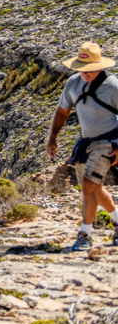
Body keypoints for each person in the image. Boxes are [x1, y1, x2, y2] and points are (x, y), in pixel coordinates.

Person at [47, 42, 118, 250]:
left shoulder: (113, 86)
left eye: (89, 70)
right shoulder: (72, 83)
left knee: (88, 184)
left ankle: (84, 235)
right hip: (85, 142)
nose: (84, 74)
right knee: (94, 188)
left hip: (108, 141)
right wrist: (52, 138)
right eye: (81, 69)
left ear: (99, 66)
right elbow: (62, 112)